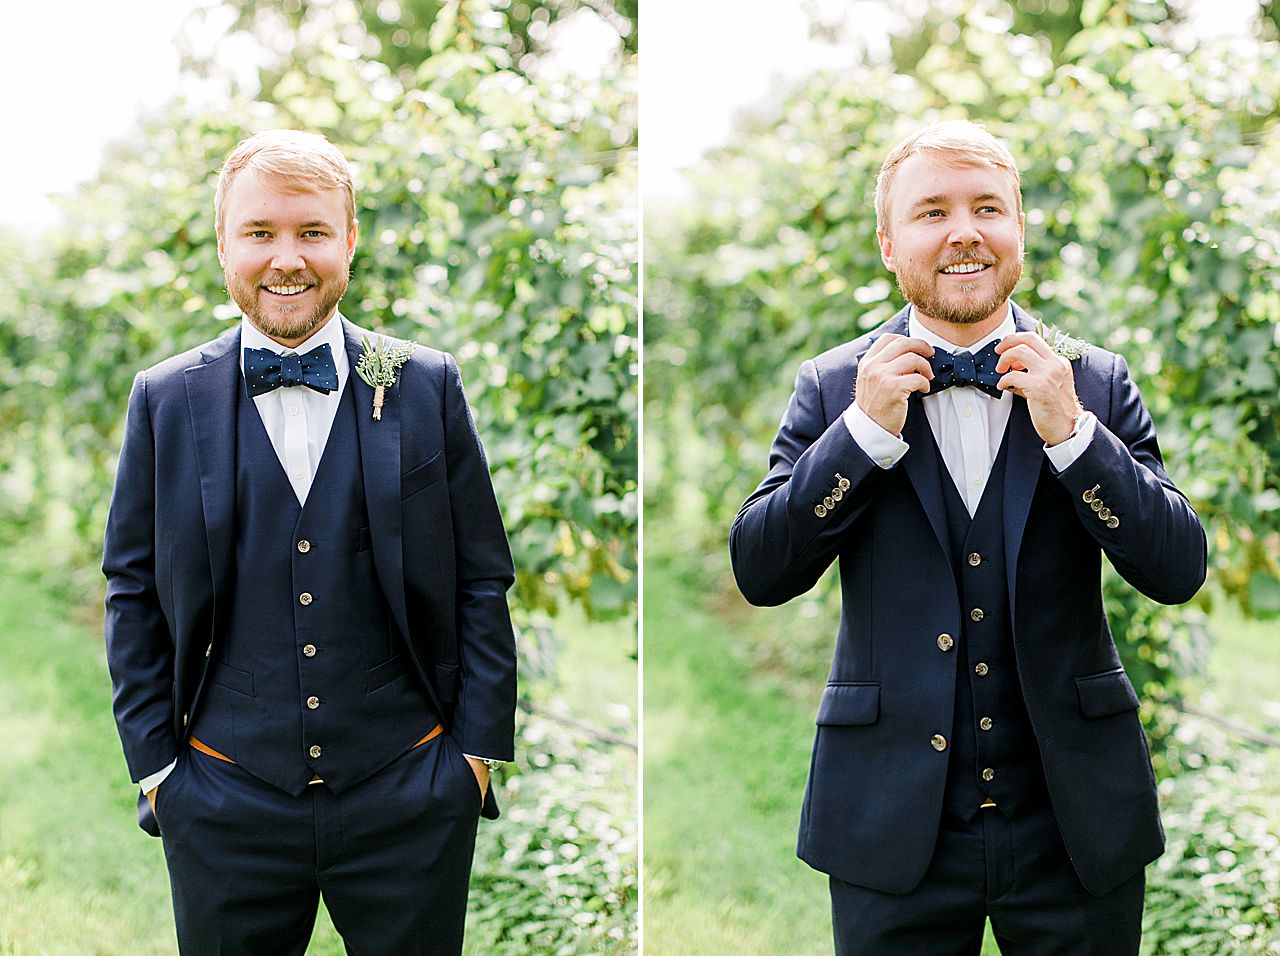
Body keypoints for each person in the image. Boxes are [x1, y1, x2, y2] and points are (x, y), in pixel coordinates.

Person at [729, 120, 1206, 955]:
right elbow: (762, 568)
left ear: (1019, 229)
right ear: (889, 244)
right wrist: (861, 437)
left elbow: (1177, 567)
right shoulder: (835, 384)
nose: (963, 231)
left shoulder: (1093, 379)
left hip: (1074, 818)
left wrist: (1074, 439)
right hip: (891, 815)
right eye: (931, 211)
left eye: (989, 207)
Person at [102, 129, 517, 955]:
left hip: (411, 790)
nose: (285, 259)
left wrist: (472, 758)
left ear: (349, 240)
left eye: (312, 232)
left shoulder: (422, 380)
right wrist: (159, 772)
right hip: (221, 797)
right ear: (223, 242)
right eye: (260, 233)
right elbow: (133, 588)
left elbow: (480, 575)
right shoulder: (163, 398)